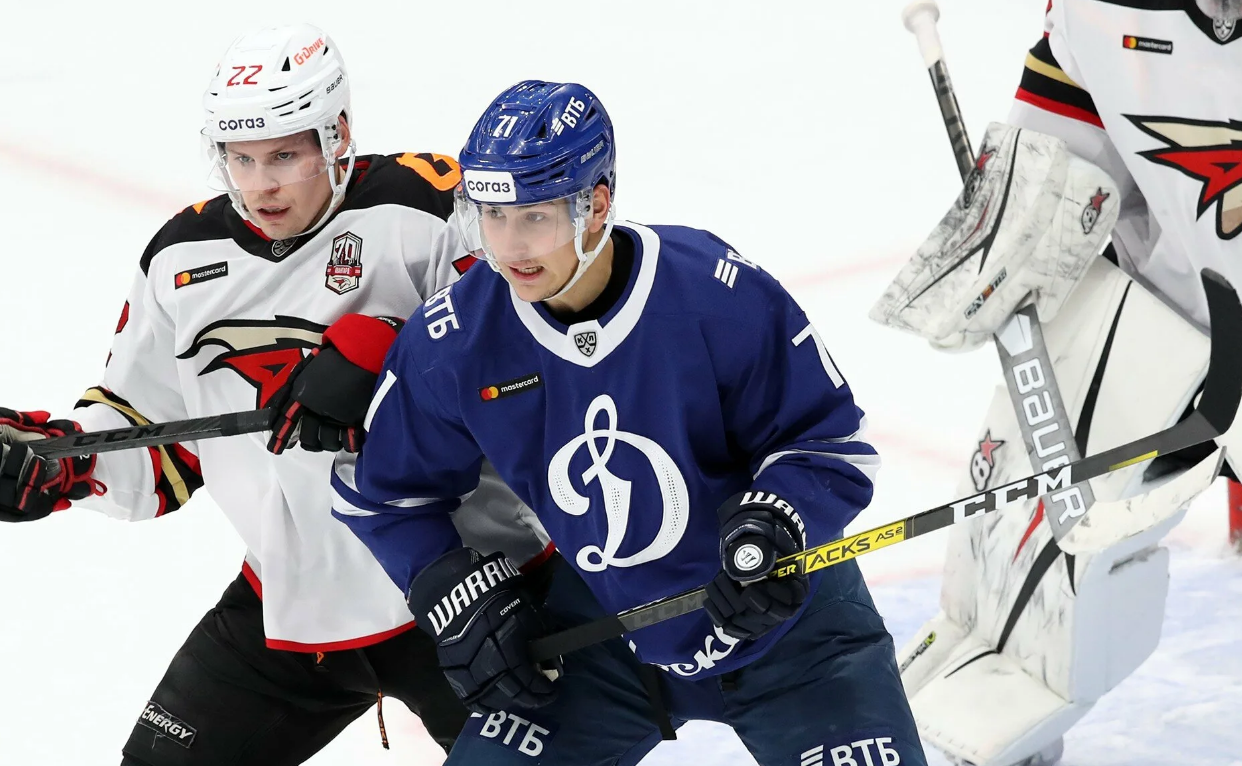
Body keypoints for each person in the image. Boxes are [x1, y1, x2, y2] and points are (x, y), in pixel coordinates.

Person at [331, 79, 928, 766]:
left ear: (596, 205)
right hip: (600, 633)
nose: (509, 246)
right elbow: (386, 496)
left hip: (787, 619)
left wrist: (780, 519)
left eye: (535, 217)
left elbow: (828, 441)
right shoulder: (457, 338)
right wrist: (450, 589)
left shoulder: (713, 293)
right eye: (492, 216)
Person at [0, 24, 552, 765]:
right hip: (293, 604)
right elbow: (161, 444)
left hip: (469, 588)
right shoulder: (181, 257)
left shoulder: (428, 206)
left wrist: (395, 351)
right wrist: (65, 463)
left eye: (285, 155)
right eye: (241, 158)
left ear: (337, 135)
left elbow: (542, 350)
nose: (260, 184)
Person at [868, 1, 1242, 764]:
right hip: (1184, 333)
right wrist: (1012, 227)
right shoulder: (1099, 13)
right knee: (1027, 537)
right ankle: (998, 736)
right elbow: (1062, 170)